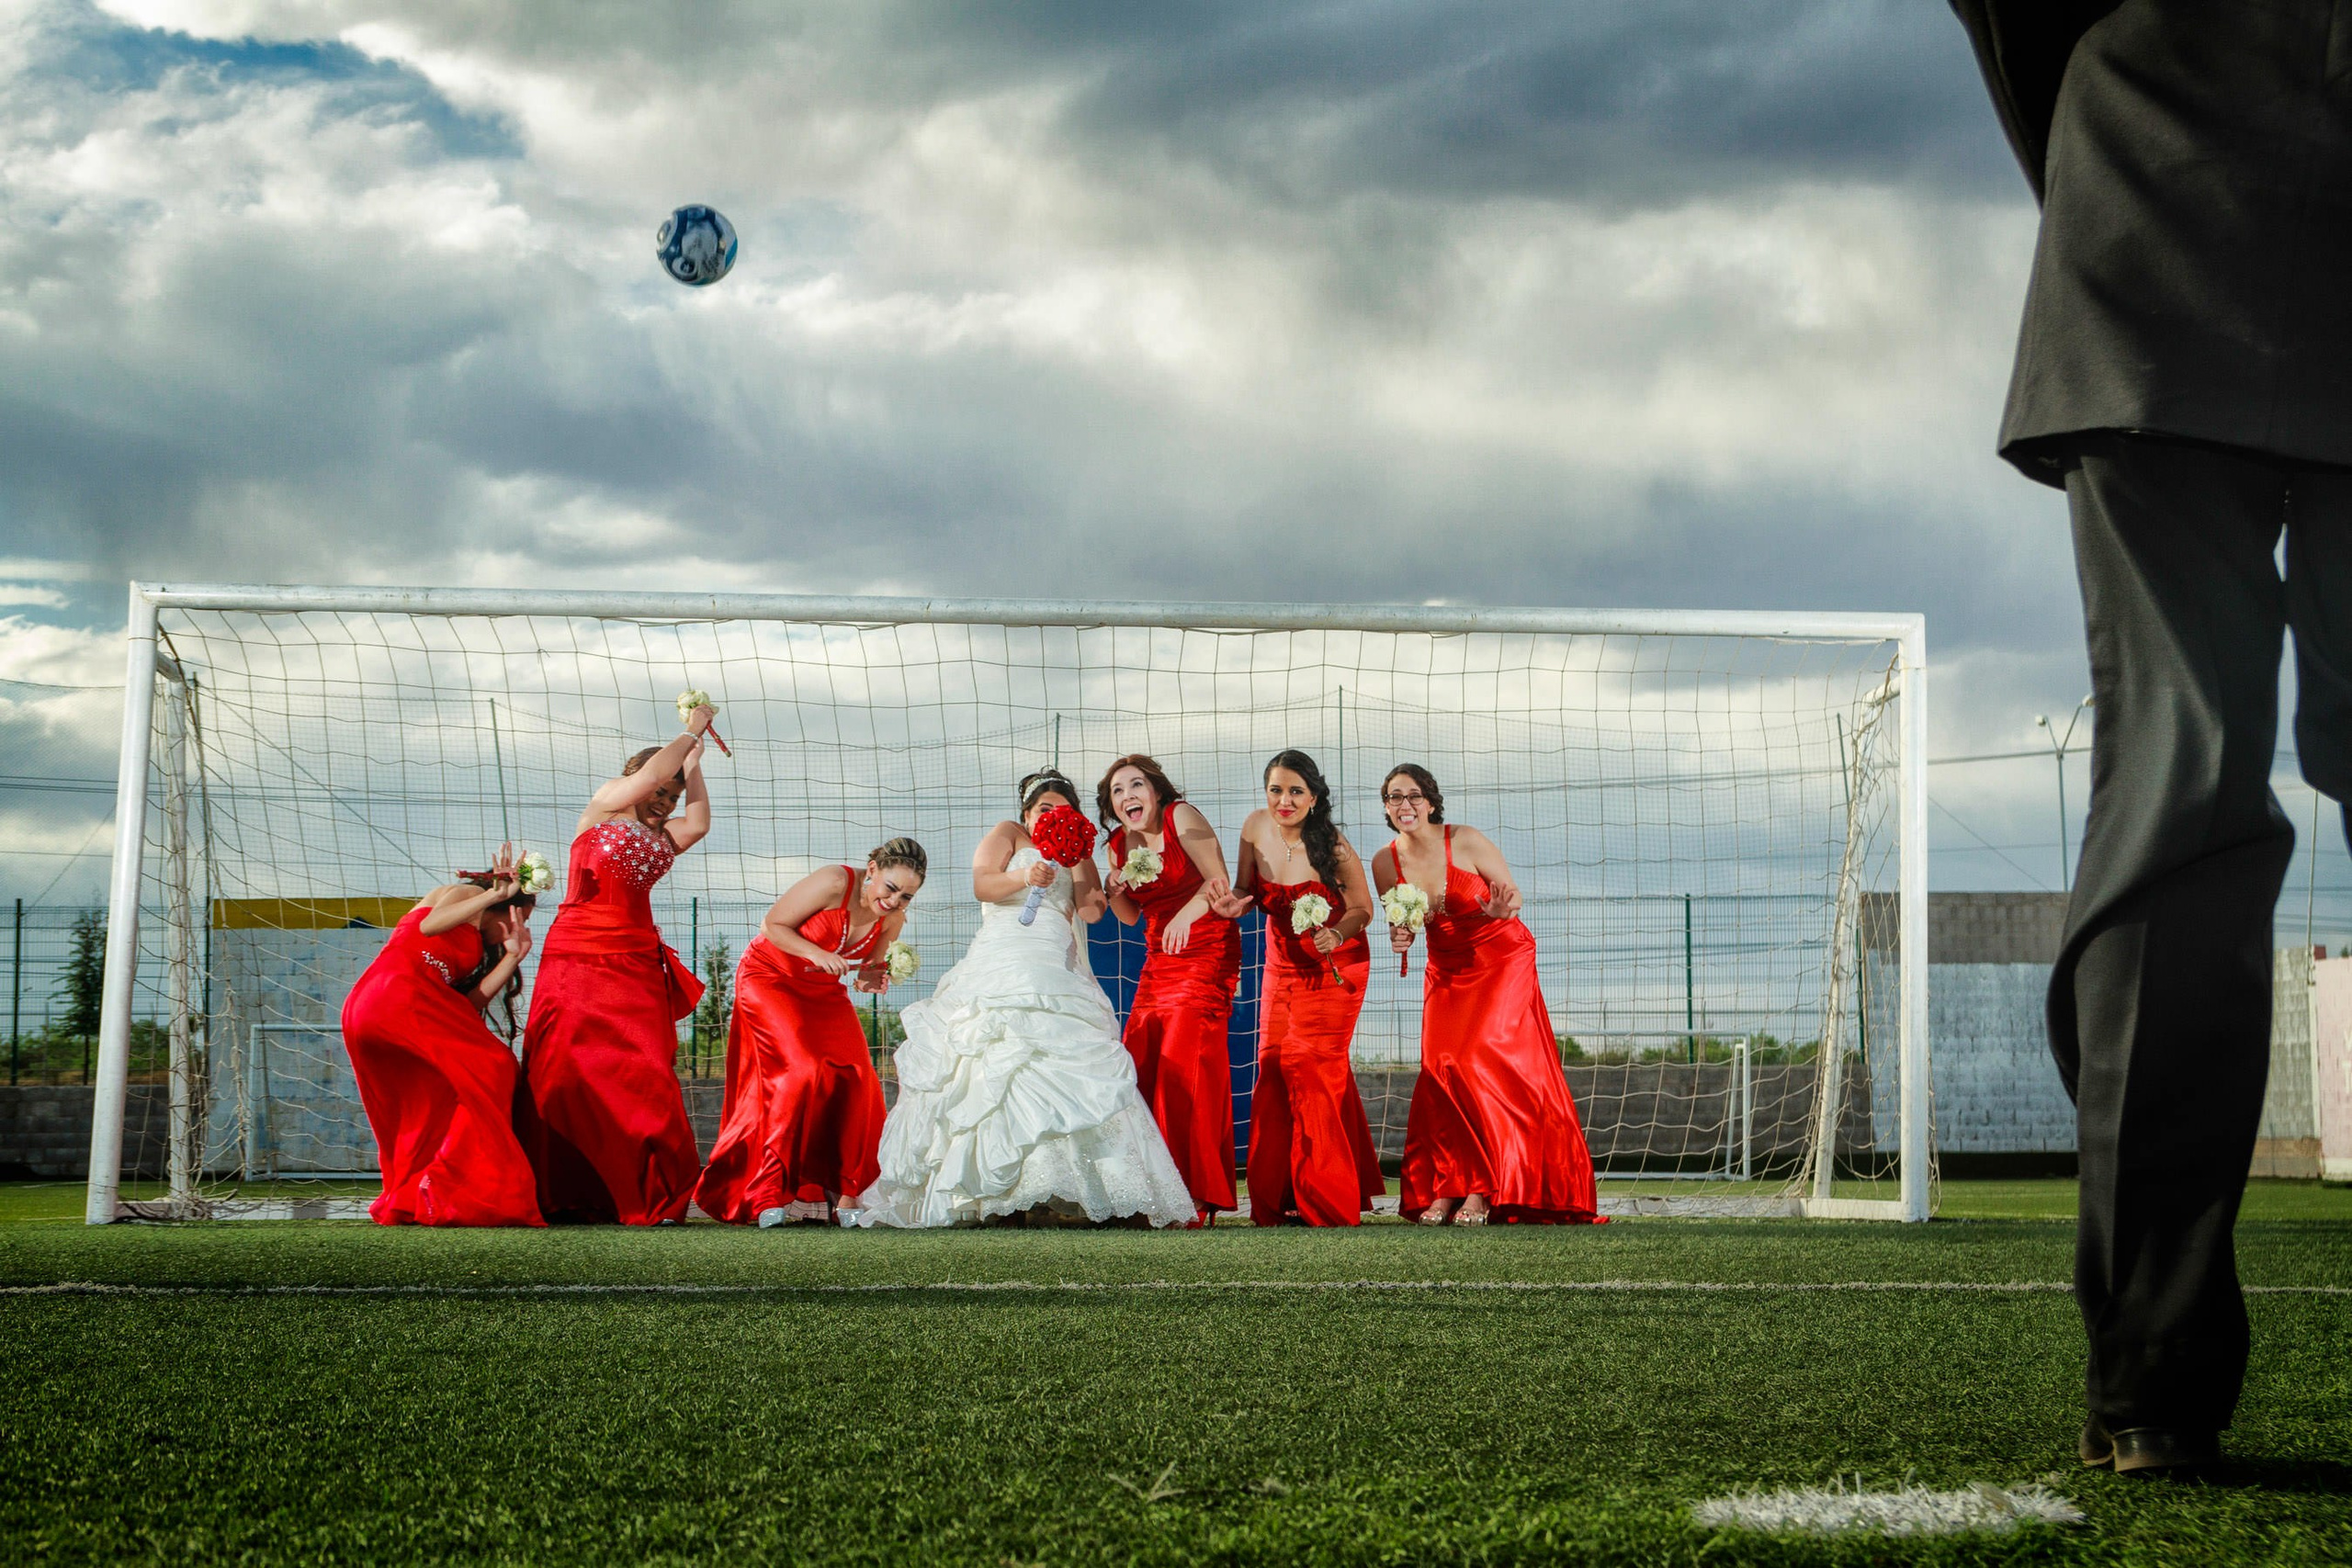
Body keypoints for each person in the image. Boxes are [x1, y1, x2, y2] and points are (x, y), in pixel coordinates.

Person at [1950, 0, 2352, 1475]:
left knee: (2178, 786)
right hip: (2165, 178)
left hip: (2155, 189)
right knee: (2182, 785)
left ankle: (2155, 1385)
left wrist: (2115, 123)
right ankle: (2153, 1376)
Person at [847, 770, 1196, 1228]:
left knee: (1062, 1058)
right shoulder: (1008, 835)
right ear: (1028, 813)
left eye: (1062, 810)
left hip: (1054, 957)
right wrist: (1023, 875)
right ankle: (988, 1192)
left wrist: (1081, 866)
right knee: (988, 1058)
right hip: (1003, 953)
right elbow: (983, 885)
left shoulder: (1081, 849)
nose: (1052, 816)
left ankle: (1066, 1188)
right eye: (1044, 809)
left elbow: (1091, 911)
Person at [1373, 763, 1600, 1226]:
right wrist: (1400, 938)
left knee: (1477, 1060)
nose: (1405, 806)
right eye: (1394, 798)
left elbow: (1511, 895)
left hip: (1500, 955)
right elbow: (1404, 926)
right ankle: (1447, 1187)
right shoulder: (1383, 862)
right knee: (1441, 1068)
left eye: (1413, 796)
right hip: (1446, 969)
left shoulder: (1466, 839)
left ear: (1431, 801)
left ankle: (1482, 1190)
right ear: (1387, 808)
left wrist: (1500, 908)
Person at [514, 707, 715, 1224]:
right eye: (660, 793)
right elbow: (649, 774)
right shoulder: (602, 809)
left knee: (644, 1068)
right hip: (576, 958)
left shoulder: (663, 838)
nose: (666, 802)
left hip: (635, 963)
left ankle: (647, 1194)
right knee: (564, 1070)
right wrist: (690, 730)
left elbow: (699, 822)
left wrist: (693, 764)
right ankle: (567, 1192)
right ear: (633, 783)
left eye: (671, 796)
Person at [695, 840, 926, 1227]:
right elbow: (772, 925)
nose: (894, 900)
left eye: (906, 896)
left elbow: (868, 970)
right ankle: (768, 1192)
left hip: (824, 993)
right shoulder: (835, 881)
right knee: (801, 1072)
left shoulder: (893, 918)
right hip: (770, 977)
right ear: (872, 870)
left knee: (858, 1077)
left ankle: (849, 1193)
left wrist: (874, 978)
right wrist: (815, 953)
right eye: (890, 888)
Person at [341, 844, 544, 1227]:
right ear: (501, 905)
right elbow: (428, 927)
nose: (518, 928)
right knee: (494, 1065)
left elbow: (466, 1009)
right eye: (518, 917)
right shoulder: (468, 897)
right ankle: (462, 1187)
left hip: (395, 1003)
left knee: (445, 1093)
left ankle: (425, 1191)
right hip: (395, 997)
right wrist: (492, 893)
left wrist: (512, 957)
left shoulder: (482, 938)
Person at [1231, 749, 1385, 1226]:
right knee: (1275, 1066)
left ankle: (1327, 1198)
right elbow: (1244, 889)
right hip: (1281, 968)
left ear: (1314, 798)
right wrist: (1231, 905)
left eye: (1296, 791)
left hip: (1337, 967)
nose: (1284, 800)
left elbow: (1363, 909)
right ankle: (1282, 1197)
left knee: (1311, 1067)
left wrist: (1337, 933)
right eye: (1276, 789)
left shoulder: (1332, 846)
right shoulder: (1255, 827)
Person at [1097, 753, 1250, 1223]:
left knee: (1188, 1061)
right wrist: (1113, 888)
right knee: (1140, 1059)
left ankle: (1196, 1192)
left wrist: (1187, 912)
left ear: (1157, 791)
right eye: (1117, 792)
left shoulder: (1182, 816)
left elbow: (1219, 882)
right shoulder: (1117, 845)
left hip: (1206, 948)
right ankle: (1151, 1189)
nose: (1127, 796)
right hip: (1159, 959)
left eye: (1136, 785)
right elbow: (1129, 916)